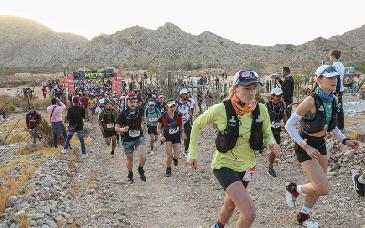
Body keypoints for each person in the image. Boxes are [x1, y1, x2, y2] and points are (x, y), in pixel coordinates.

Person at [188, 70, 280, 228]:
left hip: (247, 167)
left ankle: (217, 226)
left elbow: (267, 133)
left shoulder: (261, 110)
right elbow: (197, 124)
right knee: (249, 213)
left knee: (230, 205)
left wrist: (272, 144)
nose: (251, 92)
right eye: (247, 88)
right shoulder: (221, 109)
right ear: (236, 88)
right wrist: (192, 153)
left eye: (253, 88)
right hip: (224, 164)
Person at [284, 65, 360, 227]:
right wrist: (306, 147)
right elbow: (289, 126)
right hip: (306, 145)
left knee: (318, 186)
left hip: (320, 144)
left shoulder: (333, 99)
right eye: (330, 78)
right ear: (319, 80)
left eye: (335, 77)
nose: (334, 80)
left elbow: (331, 127)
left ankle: (304, 216)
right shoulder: (309, 101)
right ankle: (293, 188)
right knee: (323, 188)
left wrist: (345, 140)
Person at [115, 93, 147, 183]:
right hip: (127, 139)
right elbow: (116, 127)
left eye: (135, 102)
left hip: (139, 137)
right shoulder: (122, 114)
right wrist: (122, 129)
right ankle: (130, 174)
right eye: (131, 102)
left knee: (143, 157)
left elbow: (142, 118)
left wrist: (144, 125)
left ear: (137, 102)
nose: (133, 104)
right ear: (127, 102)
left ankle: (140, 169)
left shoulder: (140, 110)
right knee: (130, 158)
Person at [157, 99, 183, 177]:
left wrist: (182, 132)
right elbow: (158, 128)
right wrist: (161, 136)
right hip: (167, 137)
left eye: (174, 106)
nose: (172, 108)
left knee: (177, 155)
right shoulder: (163, 116)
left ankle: (175, 159)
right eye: (170, 106)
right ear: (167, 107)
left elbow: (181, 124)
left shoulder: (178, 114)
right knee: (169, 155)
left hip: (176, 136)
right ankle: (168, 169)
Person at [265, 87, 286, 177]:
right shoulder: (267, 105)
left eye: (280, 95)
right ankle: (270, 167)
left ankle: (270, 167)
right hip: (268, 130)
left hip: (277, 129)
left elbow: (284, 115)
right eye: (277, 96)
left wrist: (287, 125)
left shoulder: (282, 104)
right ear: (272, 96)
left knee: (275, 149)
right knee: (273, 148)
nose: (279, 97)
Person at [329, 50, 345, 130]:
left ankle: (337, 127)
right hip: (341, 88)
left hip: (336, 90)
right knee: (339, 107)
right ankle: (340, 126)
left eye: (330, 55)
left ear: (333, 56)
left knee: (335, 108)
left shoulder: (334, 66)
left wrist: (336, 92)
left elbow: (337, 79)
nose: (329, 57)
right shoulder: (341, 65)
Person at [177, 88, 192, 157]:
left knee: (188, 136)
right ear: (181, 94)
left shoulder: (189, 102)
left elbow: (190, 111)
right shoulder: (176, 102)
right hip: (178, 122)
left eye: (187, 94)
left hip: (187, 121)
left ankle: (186, 151)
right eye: (185, 94)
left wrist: (190, 119)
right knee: (178, 137)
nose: (186, 95)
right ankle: (177, 152)